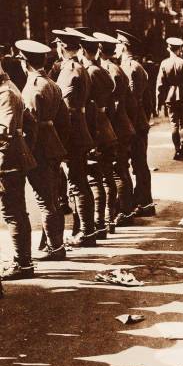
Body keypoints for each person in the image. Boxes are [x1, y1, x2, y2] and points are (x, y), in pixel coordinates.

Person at [16, 39, 68, 261]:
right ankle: (53, 242)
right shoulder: (52, 83)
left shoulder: (33, 87)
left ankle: (55, 248)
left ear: (25, 62)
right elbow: (64, 120)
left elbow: (30, 127)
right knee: (53, 197)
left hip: (40, 150)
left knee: (44, 200)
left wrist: (26, 154)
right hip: (53, 145)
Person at [53, 29, 96, 247]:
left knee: (77, 182)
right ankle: (85, 229)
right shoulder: (78, 66)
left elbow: (67, 106)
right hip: (79, 129)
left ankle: (86, 232)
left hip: (72, 133)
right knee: (78, 182)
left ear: (62, 46)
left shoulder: (70, 69)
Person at [76, 31, 118, 238]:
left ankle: (100, 223)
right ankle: (108, 220)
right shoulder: (101, 71)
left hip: (96, 130)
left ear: (84, 50)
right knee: (106, 176)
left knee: (95, 178)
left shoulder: (89, 72)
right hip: (105, 127)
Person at [94, 32, 136, 228]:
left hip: (117, 127)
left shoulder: (111, 70)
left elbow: (116, 105)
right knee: (120, 169)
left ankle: (124, 212)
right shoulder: (114, 68)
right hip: (122, 126)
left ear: (100, 50)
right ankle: (126, 209)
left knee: (118, 171)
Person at [0, 59, 36, 280]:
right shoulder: (8, 89)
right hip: (12, 159)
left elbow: (4, 130)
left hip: (8, 162)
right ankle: (23, 261)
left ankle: (22, 263)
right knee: (15, 212)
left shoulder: (6, 94)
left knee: (13, 212)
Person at [115, 29, 155, 216]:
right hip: (139, 121)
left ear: (124, 46)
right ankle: (143, 201)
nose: (115, 46)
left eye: (118, 43)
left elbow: (131, 99)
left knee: (137, 163)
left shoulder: (130, 67)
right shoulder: (134, 65)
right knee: (139, 163)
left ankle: (144, 203)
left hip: (134, 123)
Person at [156, 37, 183, 160]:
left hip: (170, 96)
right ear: (179, 49)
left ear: (168, 49)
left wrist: (158, 103)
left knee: (174, 124)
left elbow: (160, 85)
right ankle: (182, 146)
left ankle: (177, 150)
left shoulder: (164, 63)